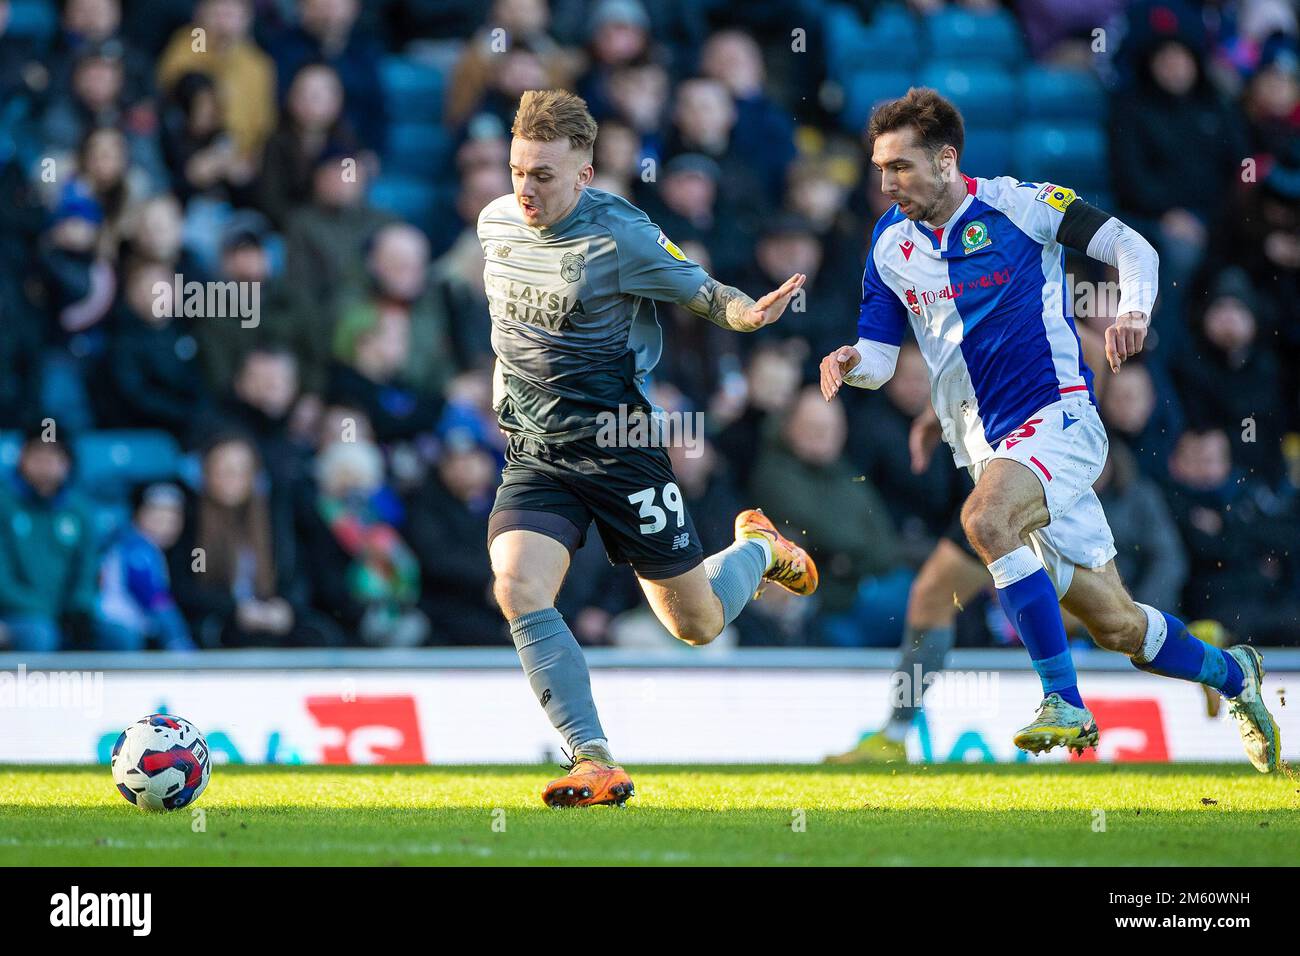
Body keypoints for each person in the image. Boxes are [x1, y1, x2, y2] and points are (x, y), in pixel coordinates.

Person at [819, 88, 1280, 772]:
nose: (887, 184)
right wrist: (851, 364)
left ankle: (1063, 700)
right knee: (1118, 623)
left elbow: (1133, 245)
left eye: (902, 167)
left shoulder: (1022, 205)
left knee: (984, 522)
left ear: (946, 161)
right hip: (984, 446)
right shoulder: (888, 245)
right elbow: (882, 359)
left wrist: (1133, 312)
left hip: (1057, 419)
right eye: (880, 168)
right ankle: (1234, 673)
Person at [482, 89, 818, 807]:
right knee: (517, 587)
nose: (526, 187)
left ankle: (759, 548)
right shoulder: (495, 225)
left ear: (585, 173)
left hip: (621, 449)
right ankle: (592, 759)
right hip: (537, 455)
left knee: (693, 624)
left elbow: (703, 292)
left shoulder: (621, 233)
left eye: (544, 174)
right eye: (518, 170)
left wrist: (747, 314)